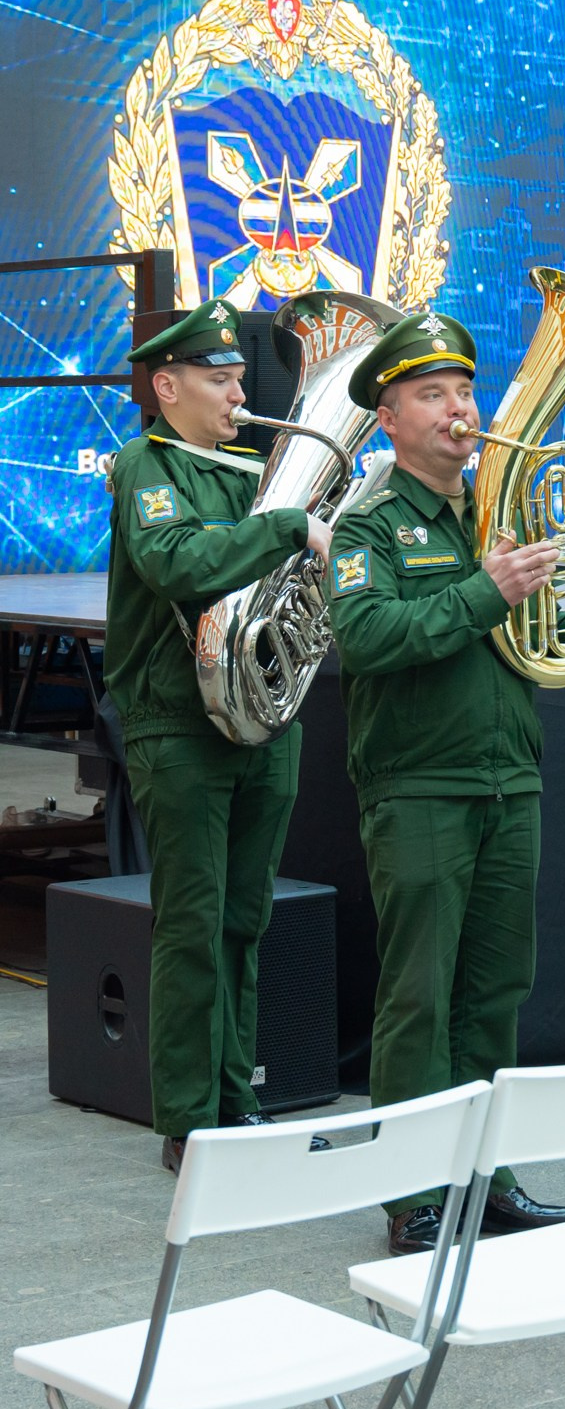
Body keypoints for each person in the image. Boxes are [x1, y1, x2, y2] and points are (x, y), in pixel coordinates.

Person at [326, 311, 565, 1253]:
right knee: (420, 995)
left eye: (465, 391)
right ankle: (411, 1195)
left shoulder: (498, 509)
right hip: (420, 784)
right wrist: (484, 593)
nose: (460, 410)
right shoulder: (369, 521)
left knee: (494, 990)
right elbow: (369, 639)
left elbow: (548, 630)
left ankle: (489, 1177)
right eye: (433, 394)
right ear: (388, 416)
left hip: (509, 778)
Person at [106, 298, 332, 1173]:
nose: (238, 389)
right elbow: (176, 564)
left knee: (247, 916)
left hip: (263, 721)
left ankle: (237, 1093)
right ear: (167, 386)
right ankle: (189, 1117)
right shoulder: (147, 465)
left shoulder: (251, 473)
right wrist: (284, 527)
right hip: (180, 723)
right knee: (194, 921)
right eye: (217, 376)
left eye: (239, 374)